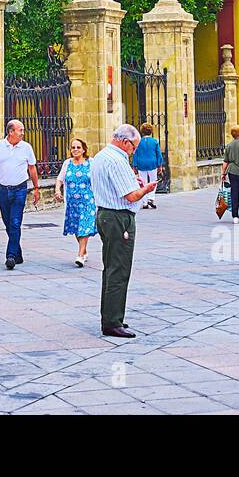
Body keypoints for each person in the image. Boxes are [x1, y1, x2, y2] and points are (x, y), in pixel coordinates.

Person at [90, 123, 160, 338]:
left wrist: (134, 181)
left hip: (105, 213)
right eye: (133, 147)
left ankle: (112, 316)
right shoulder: (117, 160)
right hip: (119, 218)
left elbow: (115, 186)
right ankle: (111, 321)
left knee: (111, 267)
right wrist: (146, 189)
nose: (134, 151)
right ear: (124, 142)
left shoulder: (101, 156)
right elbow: (130, 196)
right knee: (119, 269)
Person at [0, 119, 40, 270]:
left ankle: (11, 256)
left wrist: (36, 188)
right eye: (20, 130)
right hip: (3, 189)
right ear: (11, 132)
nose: (22, 132)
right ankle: (18, 252)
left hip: (20, 189)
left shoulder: (26, 147)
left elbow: (32, 168)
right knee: (8, 223)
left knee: (15, 222)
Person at [56, 137, 95, 266]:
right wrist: (58, 190)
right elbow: (60, 179)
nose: (75, 150)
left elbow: (98, 180)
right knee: (77, 228)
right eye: (73, 147)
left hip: (88, 202)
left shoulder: (91, 163)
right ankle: (83, 250)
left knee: (84, 227)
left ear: (84, 149)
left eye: (78, 147)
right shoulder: (67, 163)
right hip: (72, 203)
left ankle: (80, 255)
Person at [131, 122, 164, 210]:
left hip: (141, 164)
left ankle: (144, 202)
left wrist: (134, 165)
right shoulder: (154, 141)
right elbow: (158, 154)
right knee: (153, 181)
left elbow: (135, 154)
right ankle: (151, 198)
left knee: (143, 183)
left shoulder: (138, 142)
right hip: (152, 163)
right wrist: (160, 165)